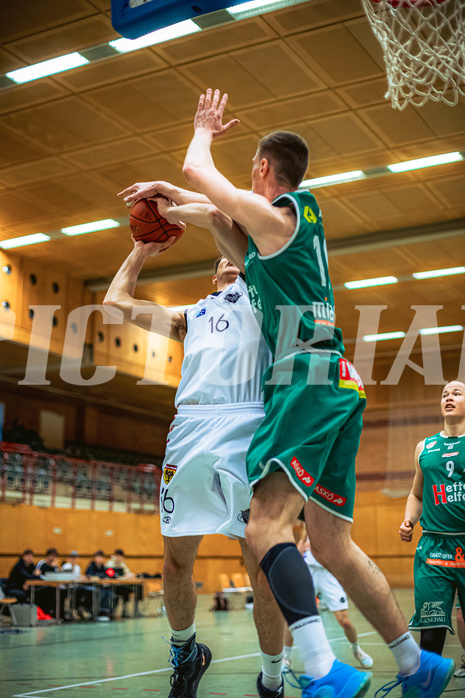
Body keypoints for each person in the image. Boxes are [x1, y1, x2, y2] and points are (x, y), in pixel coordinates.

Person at [134, 87, 455, 698]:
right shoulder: (275, 243)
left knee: (263, 529)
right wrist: (178, 205)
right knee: (332, 544)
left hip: (303, 380)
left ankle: (322, 671)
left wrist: (201, 134)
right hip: (331, 380)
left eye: (249, 173)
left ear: (261, 169)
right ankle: (419, 665)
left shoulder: (284, 215)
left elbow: (200, 172)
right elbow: (220, 220)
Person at [104, 211, 285, 698]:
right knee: (175, 557)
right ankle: (185, 652)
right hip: (188, 430)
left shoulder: (270, 295)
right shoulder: (192, 315)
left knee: (258, 561)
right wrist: (143, 249)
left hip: (249, 425)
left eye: (237, 254)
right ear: (213, 272)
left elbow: (248, 240)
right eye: (222, 258)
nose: (230, 260)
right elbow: (115, 303)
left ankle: (272, 677)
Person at [399, 380, 465, 661]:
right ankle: (427, 687)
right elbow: (416, 494)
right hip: (435, 547)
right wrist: (409, 520)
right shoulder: (424, 447)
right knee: (431, 631)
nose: (448, 398)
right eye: (444, 394)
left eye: (457, 393)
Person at [283, 531, 373, 671]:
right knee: (293, 620)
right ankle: (286, 658)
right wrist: (304, 543)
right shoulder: (307, 527)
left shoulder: (331, 524)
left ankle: (356, 650)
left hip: (327, 576)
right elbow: (298, 553)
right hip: (308, 573)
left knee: (345, 622)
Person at [106, 548, 141, 618]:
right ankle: (112, 611)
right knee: (123, 591)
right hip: (112, 587)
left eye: (121, 556)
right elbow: (111, 575)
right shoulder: (109, 563)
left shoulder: (123, 564)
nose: (119, 558)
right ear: (115, 556)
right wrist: (124, 577)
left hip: (121, 586)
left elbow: (128, 573)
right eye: (117, 556)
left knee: (137, 587)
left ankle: (133, 610)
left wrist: (131, 575)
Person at [85, 551, 112, 622]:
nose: (99, 559)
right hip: (91, 587)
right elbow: (89, 575)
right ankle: (98, 613)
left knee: (109, 592)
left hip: (102, 586)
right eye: (98, 557)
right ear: (95, 558)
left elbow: (111, 574)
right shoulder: (91, 566)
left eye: (101, 557)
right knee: (100, 592)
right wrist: (100, 576)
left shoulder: (104, 567)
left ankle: (105, 612)